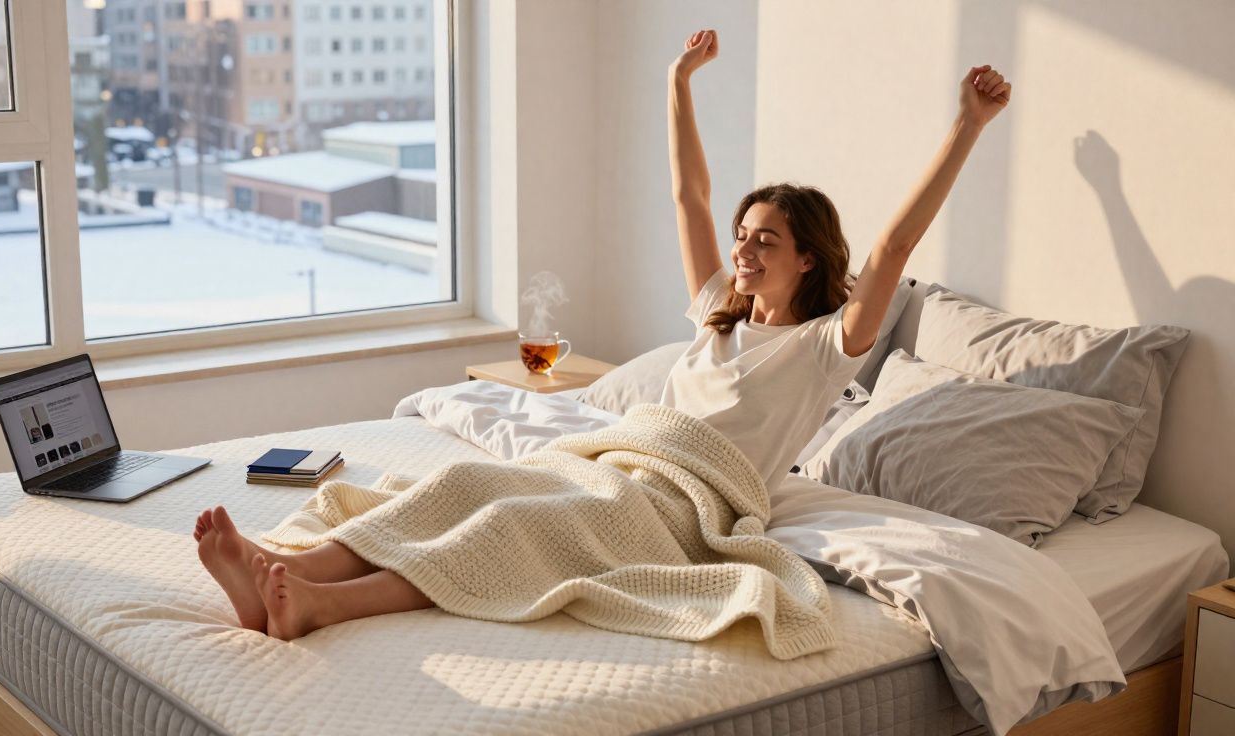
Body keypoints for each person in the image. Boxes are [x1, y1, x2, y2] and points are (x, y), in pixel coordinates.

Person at [195, 28, 1011, 640]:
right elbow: (690, 197)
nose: (745, 248)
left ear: (809, 258)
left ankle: (319, 606)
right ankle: (287, 568)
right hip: (618, 457)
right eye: (745, 234)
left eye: (767, 239)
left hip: (683, 505)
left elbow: (895, 247)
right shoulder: (718, 312)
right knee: (467, 488)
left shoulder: (825, 348)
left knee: (512, 529)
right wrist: (676, 81)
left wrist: (969, 123)